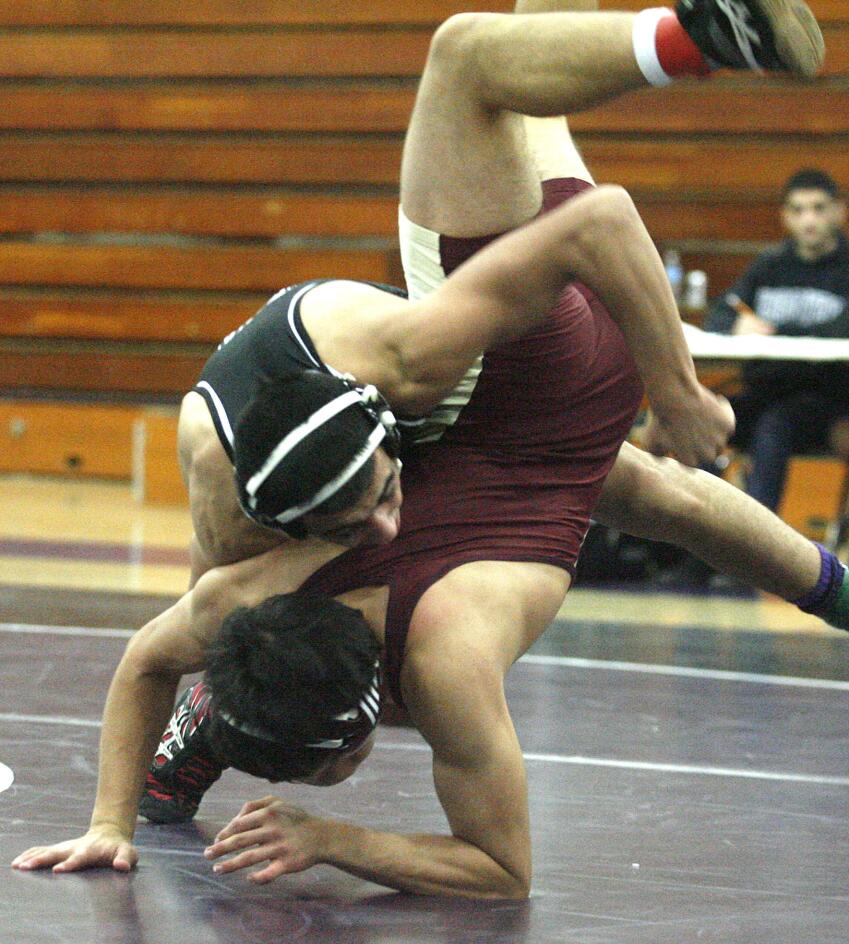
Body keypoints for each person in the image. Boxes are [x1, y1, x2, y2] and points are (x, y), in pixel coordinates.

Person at [15, 0, 845, 897]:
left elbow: (502, 871)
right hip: (536, 404)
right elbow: (147, 658)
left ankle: (694, 37)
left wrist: (334, 837)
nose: (385, 516)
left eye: (381, 491)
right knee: (644, 488)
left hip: (544, 388)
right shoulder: (259, 590)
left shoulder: (425, 616)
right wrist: (107, 820)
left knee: (470, 57)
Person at [179, 0, 826, 580]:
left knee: (538, 38)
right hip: (530, 343)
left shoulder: (276, 538)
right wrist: (678, 392)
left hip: (580, 360)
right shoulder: (406, 368)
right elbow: (603, 223)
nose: (386, 519)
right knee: (461, 58)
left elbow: (683, 504)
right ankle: (703, 38)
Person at [704, 168, 849, 513]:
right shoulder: (769, 264)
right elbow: (720, 314)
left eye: (818, 207)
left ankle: (756, 554)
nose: (808, 219)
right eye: (798, 210)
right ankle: (694, 547)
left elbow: (839, 331)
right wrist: (738, 325)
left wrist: (776, 333)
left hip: (827, 401)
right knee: (701, 417)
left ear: (839, 211)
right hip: (765, 392)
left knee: (774, 426)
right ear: (785, 216)